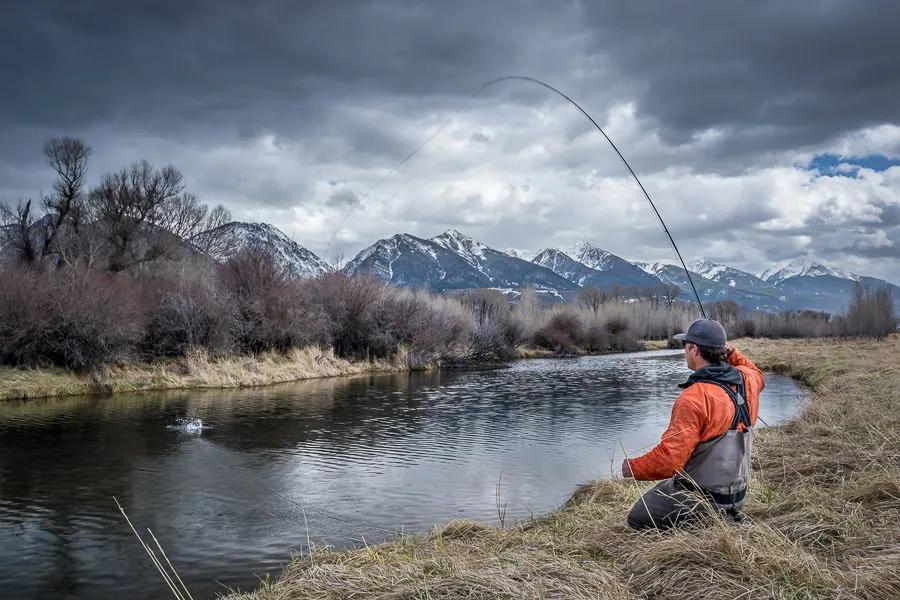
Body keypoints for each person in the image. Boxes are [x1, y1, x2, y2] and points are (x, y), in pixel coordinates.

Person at [622, 318, 765, 529]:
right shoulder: (749, 380)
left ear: (695, 350)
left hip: (703, 499)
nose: (684, 352)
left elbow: (669, 461)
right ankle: (727, 516)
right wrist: (729, 351)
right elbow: (754, 371)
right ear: (721, 350)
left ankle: (704, 524)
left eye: (685, 346)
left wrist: (631, 468)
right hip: (736, 495)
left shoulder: (694, 398)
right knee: (666, 486)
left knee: (637, 517)